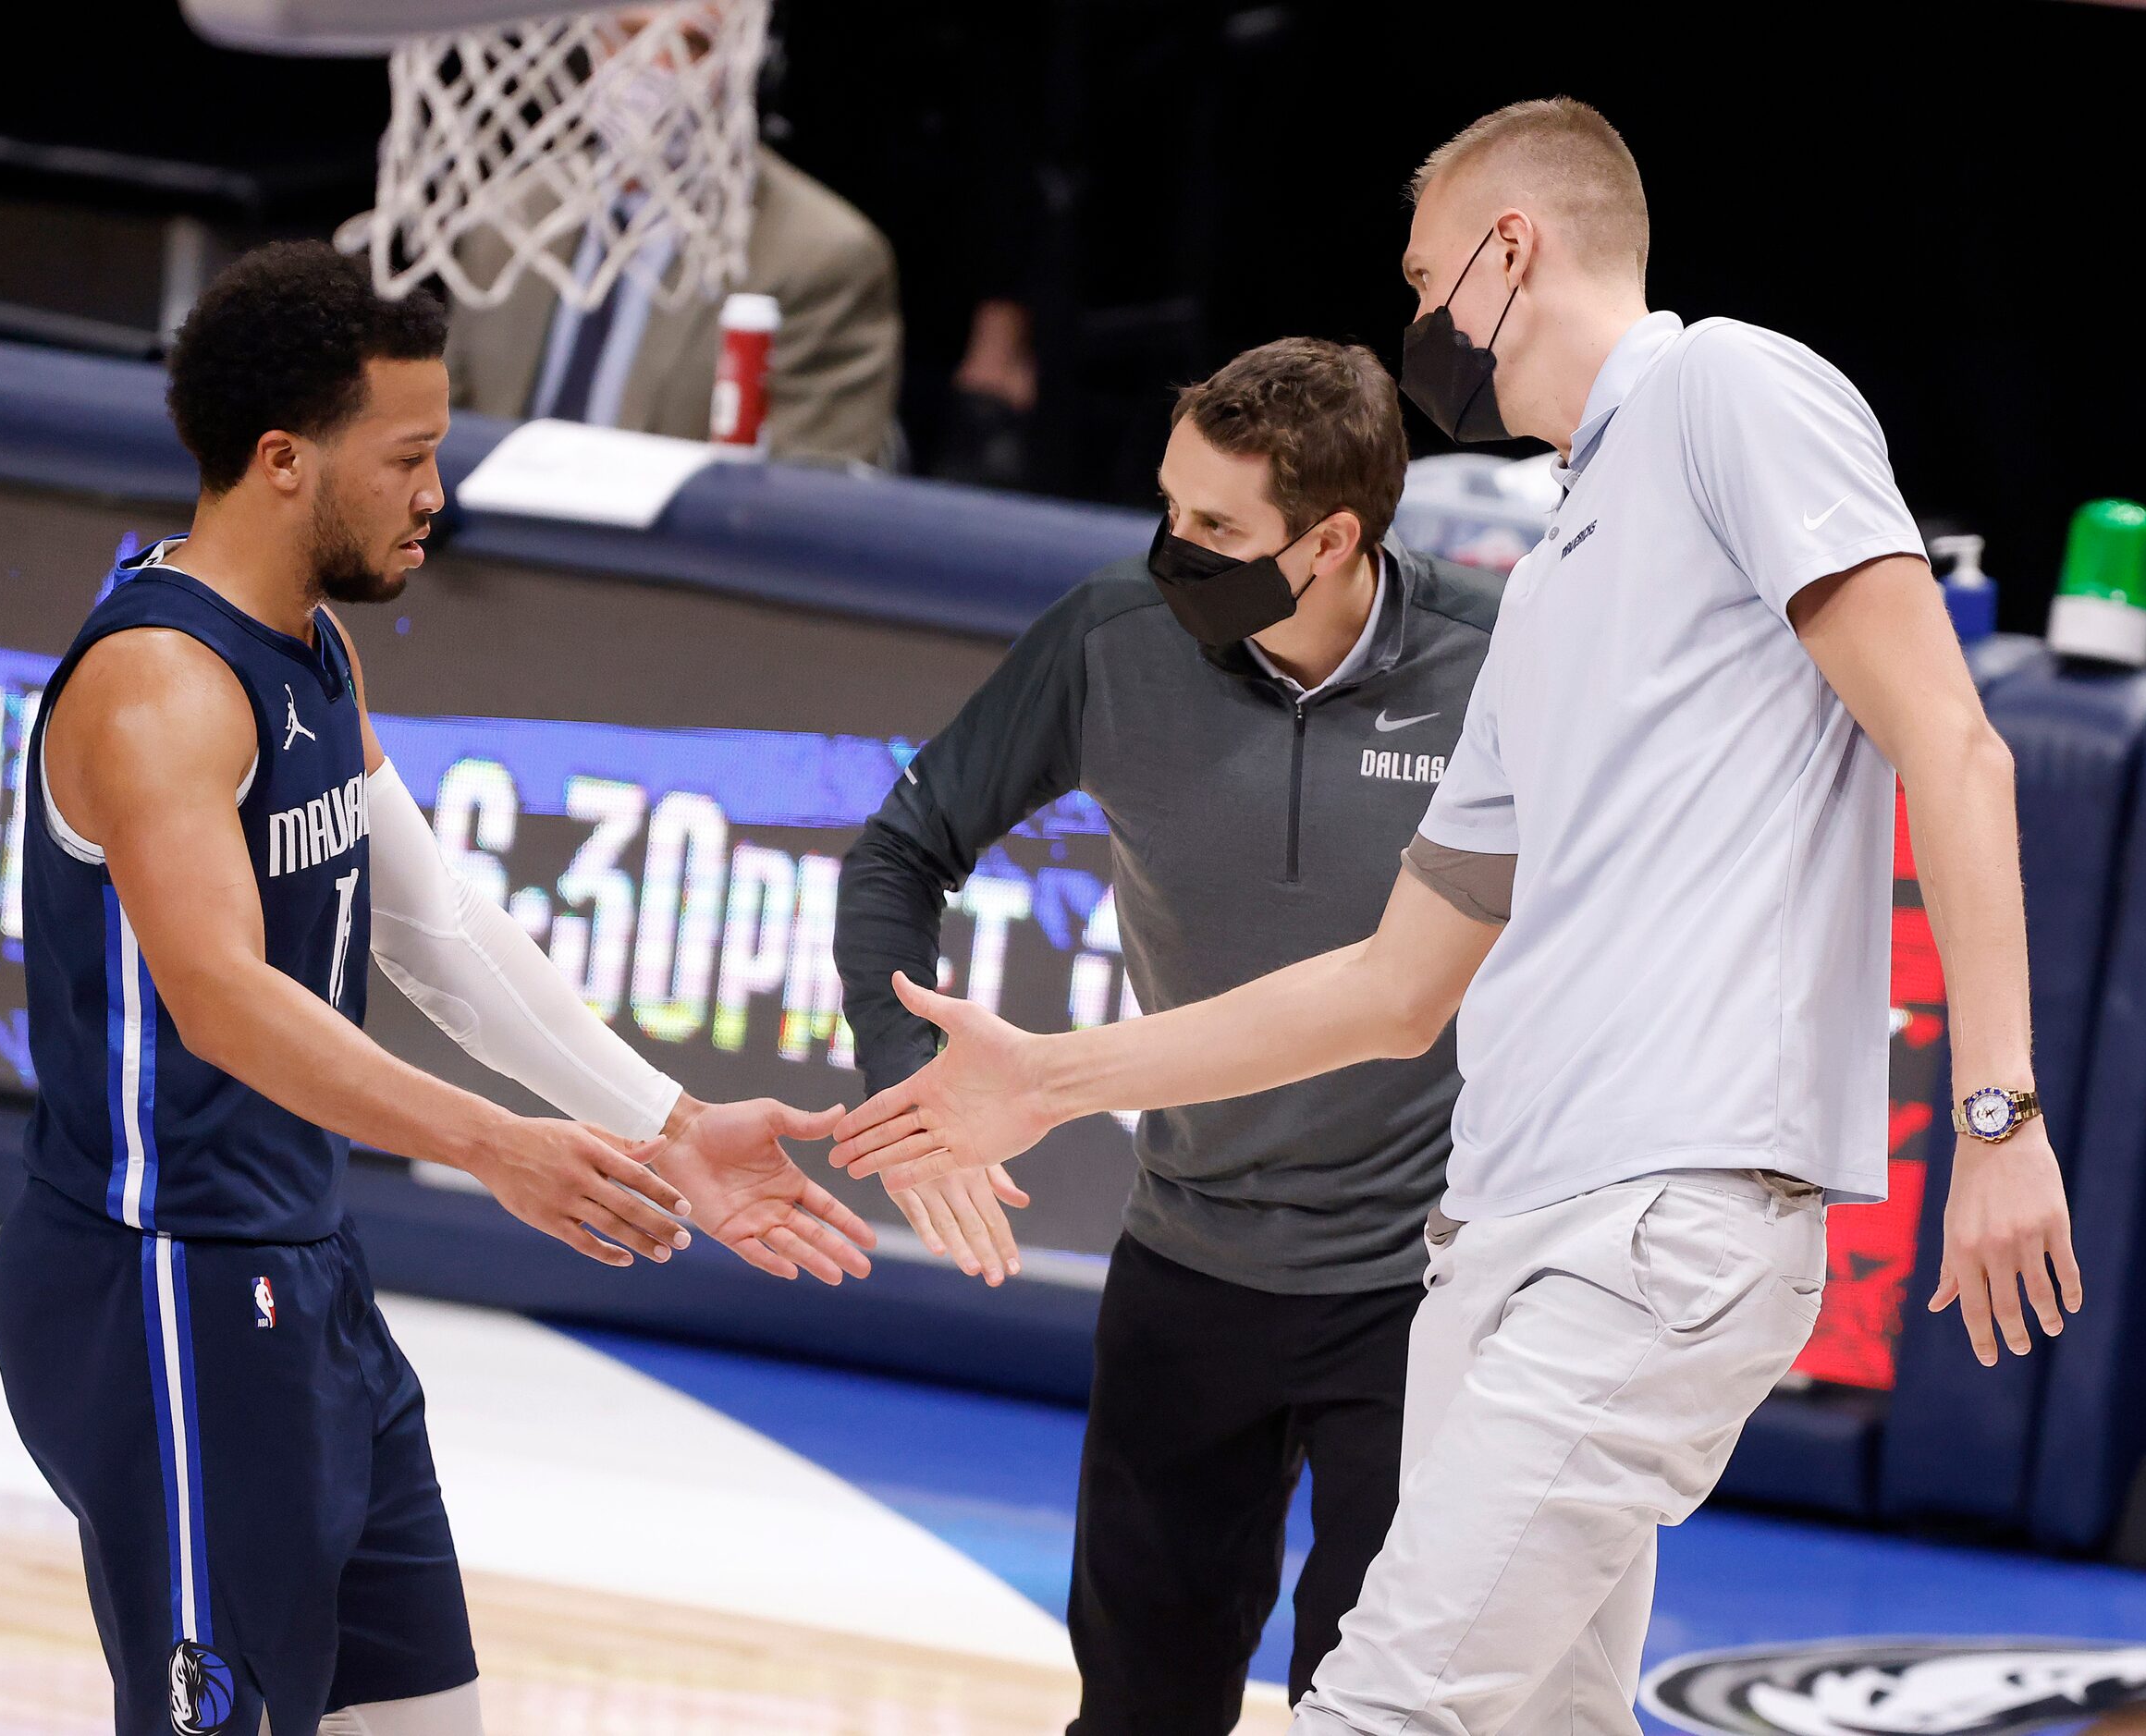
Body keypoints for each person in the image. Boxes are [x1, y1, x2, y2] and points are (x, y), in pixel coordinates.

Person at [829, 97, 2080, 1736]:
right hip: (1496, 1234)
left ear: (1509, 250)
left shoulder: (1724, 386)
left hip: (1657, 1219)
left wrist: (1995, 1110)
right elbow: (1390, 981)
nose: (1416, 329)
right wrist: (1048, 1077)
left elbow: (1951, 737)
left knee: (1384, 1708)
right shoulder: (1557, 565)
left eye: (1422, 282)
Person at [0, 240, 876, 1736]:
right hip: (165, 1284)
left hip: (299, 1269)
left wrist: (664, 1119)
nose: (434, 492)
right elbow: (221, 1000)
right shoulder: (160, 685)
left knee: (425, 1717)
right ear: (283, 460)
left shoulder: (307, 648)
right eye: (405, 456)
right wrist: (491, 1144)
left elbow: (433, 927)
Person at [834, 336, 1499, 1729]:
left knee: (1379, 1708)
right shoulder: (1112, 637)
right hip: (1190, 1265)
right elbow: (900, 852)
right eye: (1168, 505)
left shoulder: (1498, 665)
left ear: (1329, 540)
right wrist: (907, 1087)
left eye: (1213, 526)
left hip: (1431, 1292)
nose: (1171, 549)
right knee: (1138, 1709)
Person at [445, 13, 901, 467]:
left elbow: (804, 497)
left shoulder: (823, 256)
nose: (654, 64)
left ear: (749, 64)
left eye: (693, 44)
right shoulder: (509, 217)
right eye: (629, 35)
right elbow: (438, 435)